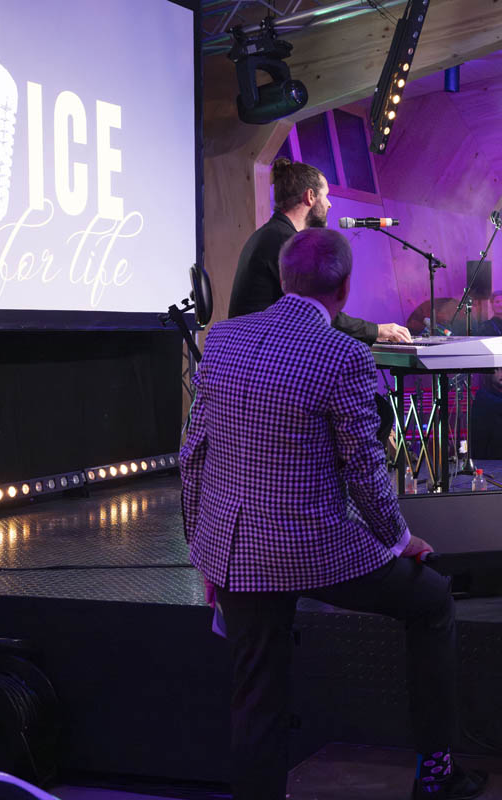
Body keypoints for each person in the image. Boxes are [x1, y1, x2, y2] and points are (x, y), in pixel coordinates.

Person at [181, 228, 485, 800]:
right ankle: (437, 772)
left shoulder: (221, 339)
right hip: (313, 547)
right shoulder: (343, 354)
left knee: (257, 693)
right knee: (431, 600)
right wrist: (401, 540)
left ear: (282, 278)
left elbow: (192, 454)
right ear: (344, 289)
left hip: (237, 550)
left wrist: (206, 553)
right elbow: (365, 471)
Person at [227, 157, 411, 344]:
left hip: (251, 347)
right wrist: (376, 330)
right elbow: (317, 308)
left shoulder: (271, 234)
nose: (329, 204)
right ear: (310, 196)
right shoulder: (285, 241)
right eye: (326, 195)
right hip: (259, 351)